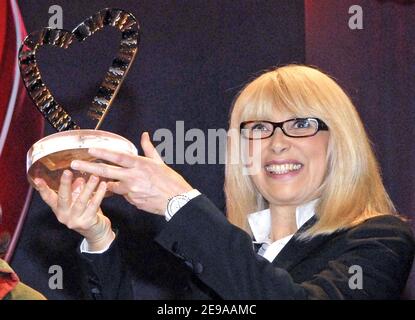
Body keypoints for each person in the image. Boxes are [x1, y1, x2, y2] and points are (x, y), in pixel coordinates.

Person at [34, 65, 414, 299]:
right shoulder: (222, 247)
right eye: (259, 128)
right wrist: (99, 236)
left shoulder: (378, 239)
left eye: (301, 124)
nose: (277, 143)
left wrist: (177, 201)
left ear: (340, 142)